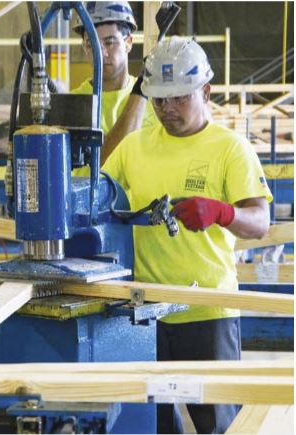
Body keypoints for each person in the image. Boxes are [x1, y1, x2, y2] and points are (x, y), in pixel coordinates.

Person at [103, 36, 272, 434]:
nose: (167, 109)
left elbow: (260, 221)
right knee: (155, 424)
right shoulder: (135, 147)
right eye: (159, 99)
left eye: (179, 98)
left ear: (206, 91)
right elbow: (95, 185)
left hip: (208, 310)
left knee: (218, 425)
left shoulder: (230, 148)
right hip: (146, 312)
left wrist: (222, 212)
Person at [72, 1, 157, 168]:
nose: (101, 53)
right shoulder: (73, 104)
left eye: (109, 42)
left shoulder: (156, 101)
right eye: (91, 45)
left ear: (129, 42)